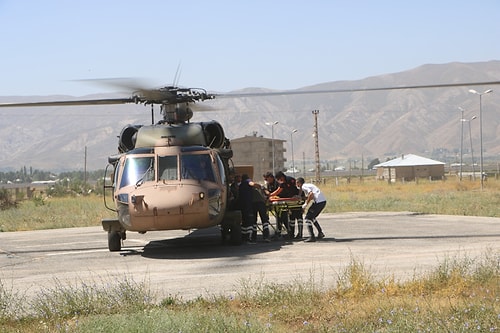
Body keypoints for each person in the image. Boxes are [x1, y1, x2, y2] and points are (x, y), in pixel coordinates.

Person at [269, 171, 300, 239]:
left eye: (279, 179)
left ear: (282, 177)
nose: (279, 181)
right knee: (286, 217)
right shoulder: (282, 183)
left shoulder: (291, 180)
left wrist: (298, 196)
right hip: (288, 200)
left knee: (296, 217)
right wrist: (269, 195)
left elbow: (298, 188)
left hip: (295, 200)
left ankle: (296, 234)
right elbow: (278, 191)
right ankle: (290, 233)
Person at [296, 177, 326, 242]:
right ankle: (320, 232)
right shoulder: (308, 185)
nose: (297, 185)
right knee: (312, 217)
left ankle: (312, 236)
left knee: (307, 218)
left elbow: (311, 194)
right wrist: (303, 198)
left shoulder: (304, 186)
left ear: (299, 183)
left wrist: (306, 204)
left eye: (297, 183)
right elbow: (310, 196)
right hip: (322, 201)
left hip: (318, 202)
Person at [238, 174, 255, 244]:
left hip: (242, 205)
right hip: (248, 205)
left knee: (244, 222)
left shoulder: (241, 185)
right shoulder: (247, 181)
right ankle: (249, 238)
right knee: (250, 222)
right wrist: (260, 186)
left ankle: (244, 238)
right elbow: (251, 183)